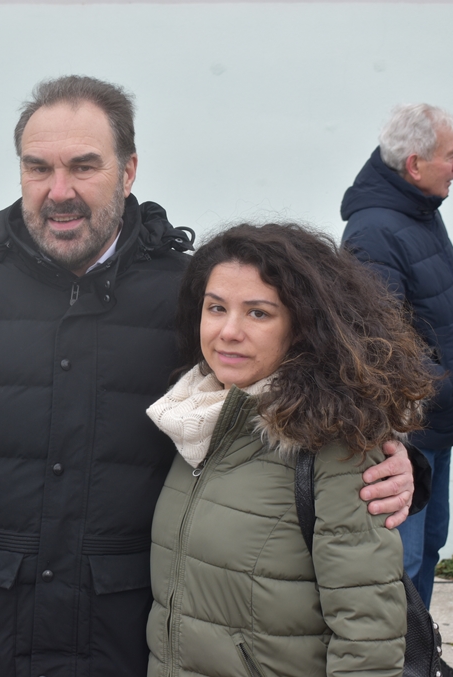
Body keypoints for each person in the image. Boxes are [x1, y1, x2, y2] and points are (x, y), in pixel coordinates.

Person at [0, 76, 419, 677]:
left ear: (128, 171)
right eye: (38, 168)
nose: (59, 191)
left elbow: (306, 396)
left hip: (126, 638)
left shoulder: (188, 296)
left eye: (83, 166)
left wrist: (396, 463)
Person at [146, 222, 432, 677]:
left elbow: (368, 635)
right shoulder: (189, 421)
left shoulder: (334, 446)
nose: (229, 331)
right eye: (216, 308)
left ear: (302, 326)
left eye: (258, 313)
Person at [341, 103, 453, 608]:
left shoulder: (419, 213)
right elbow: (377, 344)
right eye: (451, 155)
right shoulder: (375, 232)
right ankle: (402, 651)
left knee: (429, 550)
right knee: (404, 563)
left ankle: (423, 647)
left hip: (435, 423)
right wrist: (440, 385)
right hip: (409, 433)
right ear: (415, 165)